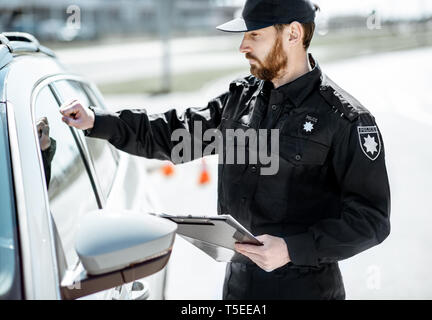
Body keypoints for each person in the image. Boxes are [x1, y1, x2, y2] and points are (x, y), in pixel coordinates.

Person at [60, 0, 391, 300]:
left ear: (292, 34)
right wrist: (96, 121)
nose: (242, 46)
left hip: (307, 292)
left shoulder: (345, 119)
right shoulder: (239, 100)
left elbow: (371, 220)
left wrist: (292, 249)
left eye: (254, 36)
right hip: (237, 289)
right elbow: (173, 134)